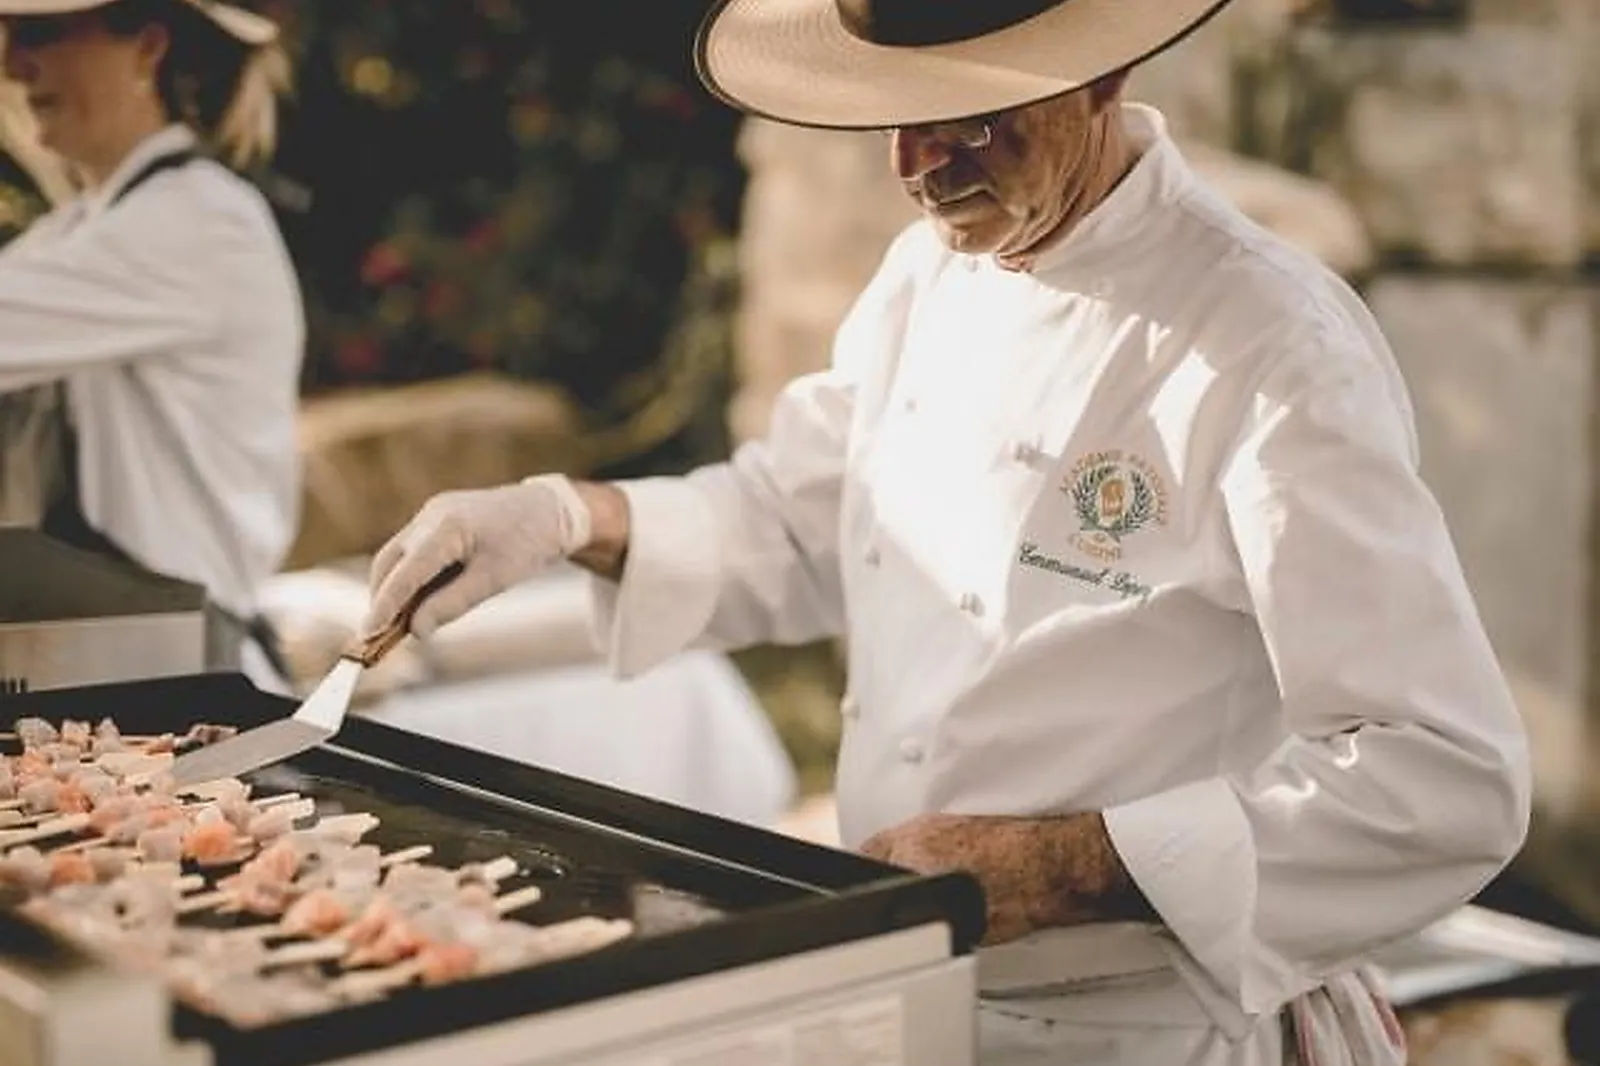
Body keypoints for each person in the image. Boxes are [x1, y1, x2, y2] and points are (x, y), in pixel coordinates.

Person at [363, 1, 1532, 1062]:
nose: (918, 167)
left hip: (1135, 1026)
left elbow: (1441, 773)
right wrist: (569, 515)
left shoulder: (1272, 344)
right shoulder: (924, 275)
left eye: (968, 117)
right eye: (898, 117)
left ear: (1102, 72)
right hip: (915, 988)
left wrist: (1057, 868)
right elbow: (804, 516)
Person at [0, 0, 302, 687]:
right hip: (88, 669)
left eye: (40, 36)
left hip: (177, 678)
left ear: (147, 49)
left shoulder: (198, 221)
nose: (13, 68)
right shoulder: (74, 236)